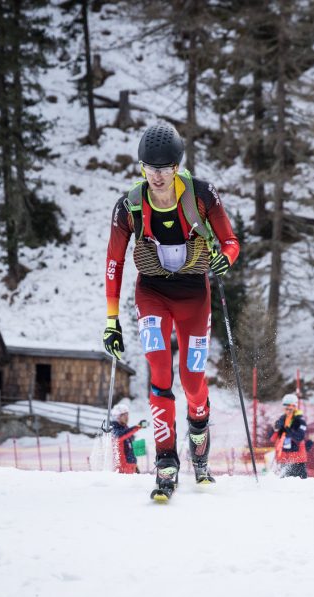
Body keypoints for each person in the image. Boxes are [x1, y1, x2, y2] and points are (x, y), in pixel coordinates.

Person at [102, 122, 240, 500]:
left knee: (193, 379)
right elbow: (114, 263)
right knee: (160, 372)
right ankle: (166, 461)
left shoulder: (202, 195)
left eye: (165, 168)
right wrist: (112, 320)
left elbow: (229, 240)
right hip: (152, 293)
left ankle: (199, 435)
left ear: (177, 167)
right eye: (151, 168)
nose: (158, 176)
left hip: (194, 293)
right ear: (142, 168)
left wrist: (225, 258)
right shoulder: (130, 205)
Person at [271, 393, 308, 478]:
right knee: (284, 485)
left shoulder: (300, 420)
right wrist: (275, 430)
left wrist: (288, 430)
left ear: (295, 407)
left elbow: (300, 437)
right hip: (283, 458)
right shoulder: (282, 419)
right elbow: (273, 438)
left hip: (297, 459)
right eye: (286, 407)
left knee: (300, 484)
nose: (288, 410)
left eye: (291, 407)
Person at [110, 403, 148, 474]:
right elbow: (120, 436)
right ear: (117, 416)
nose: (127, 417)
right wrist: (138, 426)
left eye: (127, 414)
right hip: (122, 468)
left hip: (131, 465)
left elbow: (129, 448)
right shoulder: (114, 428)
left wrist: (135, 465)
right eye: (124, 415)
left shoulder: (125, 427)